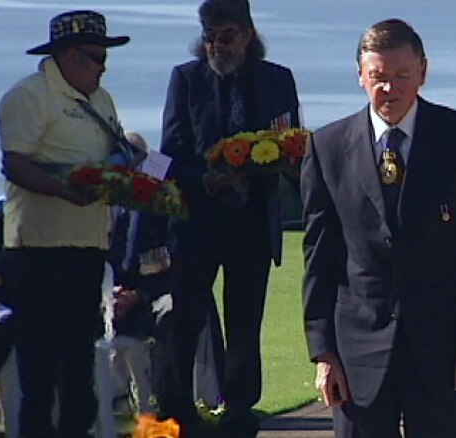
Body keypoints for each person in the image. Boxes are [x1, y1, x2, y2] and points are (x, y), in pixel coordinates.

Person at [302, 18, 456, 437]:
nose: (389, 89)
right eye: (378, 77)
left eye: (401, 76)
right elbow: (319, 257)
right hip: (357, 355)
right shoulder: (327, 148)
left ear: (423, 74)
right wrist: (323, 353)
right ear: (360, 75)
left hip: (444, 348)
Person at [154, 0, 301, 436]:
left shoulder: (277, 79)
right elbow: (171, 150)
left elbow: (292, 141)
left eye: (227, 36)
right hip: (198, 221)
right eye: (210, 37)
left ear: (248, 34)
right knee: (186, 319)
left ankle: (240, 411)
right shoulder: (186, 79)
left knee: (245, 320)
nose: (218, 45)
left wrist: (285, 161)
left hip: (253, 221)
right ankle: (178, 411)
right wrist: (205, 179)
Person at [0, 10, 132, 437]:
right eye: (96, 56)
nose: (103, 66)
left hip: (87, 247)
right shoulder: (30, 96)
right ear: (70, 57)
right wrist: (65, 189)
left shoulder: (101, 101)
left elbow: (120, 150)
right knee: (40, 370)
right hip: (40, 250)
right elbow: (15, 164)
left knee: (78, 365)